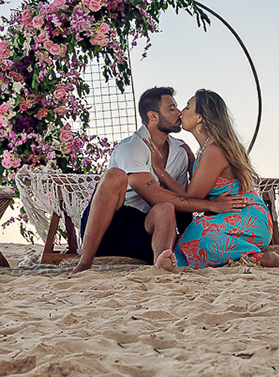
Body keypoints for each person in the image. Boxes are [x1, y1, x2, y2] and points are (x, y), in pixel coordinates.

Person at [69, 86, 242, 273]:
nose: (179, 113)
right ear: (153, 116)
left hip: (144, 235)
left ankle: (162, 265)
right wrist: (210, 205)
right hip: (109, 230)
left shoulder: (180, 151)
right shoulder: (132, 147)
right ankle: (85, 262)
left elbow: (184, 197)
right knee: (114, 176)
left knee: (166, 207)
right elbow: (154, 195)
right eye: (171, 109)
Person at [168, 89, 279, 270]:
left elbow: (192, 196)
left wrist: (160, 172)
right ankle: (253, 256)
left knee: (197, 233)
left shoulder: (215, 150)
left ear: (200, 118)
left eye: (188, 107)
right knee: (193, 234)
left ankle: (260, 258)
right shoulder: (205, 150)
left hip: (247, 216)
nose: (182, 111)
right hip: (229, 216)